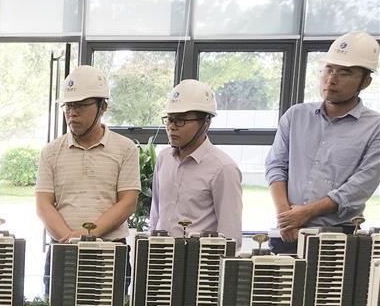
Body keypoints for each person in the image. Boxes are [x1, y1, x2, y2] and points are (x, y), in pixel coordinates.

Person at [265, 30, 380, 254]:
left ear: (365, 81)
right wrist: (286, 218)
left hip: (339, 238)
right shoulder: (296, 115)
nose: (332, 79)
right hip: (287, 231)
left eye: (345, 72)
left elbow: (360, 186)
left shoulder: (374, 127)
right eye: (329, 69)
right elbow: (275, 166)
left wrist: (306, 213)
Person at [35, 65, 140, 286]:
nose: (72, 113)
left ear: (103, 106)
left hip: (110, 250)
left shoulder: (125, 149)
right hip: (62, 249)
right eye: (68, 106)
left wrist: (86, 236)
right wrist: (70, 240)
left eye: (81, 105)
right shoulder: (51, 152)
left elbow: (127, 202)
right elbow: (43, 204)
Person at [150, 79, 242, 244]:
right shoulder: (164, 159)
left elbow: (230, 235)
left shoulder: (223, 168)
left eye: (180, 120)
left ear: (206, 122)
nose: (171, 127)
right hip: (160, 255)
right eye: (169, 119)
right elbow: (156, 215)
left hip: (200, 258)